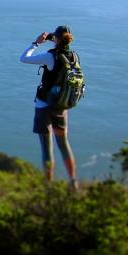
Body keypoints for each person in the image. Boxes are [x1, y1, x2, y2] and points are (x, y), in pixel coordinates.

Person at [20, 25, 79, 190]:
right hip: (61, 106)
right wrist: (51, 38)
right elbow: (59, 42)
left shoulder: (50, 57)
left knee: (47, 147)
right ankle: (73, 180)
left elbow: (24, 58)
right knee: (64, 144)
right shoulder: (74, 56)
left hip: (44, 105)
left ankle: (48, 185)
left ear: (57, 39)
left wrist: (36, 43)